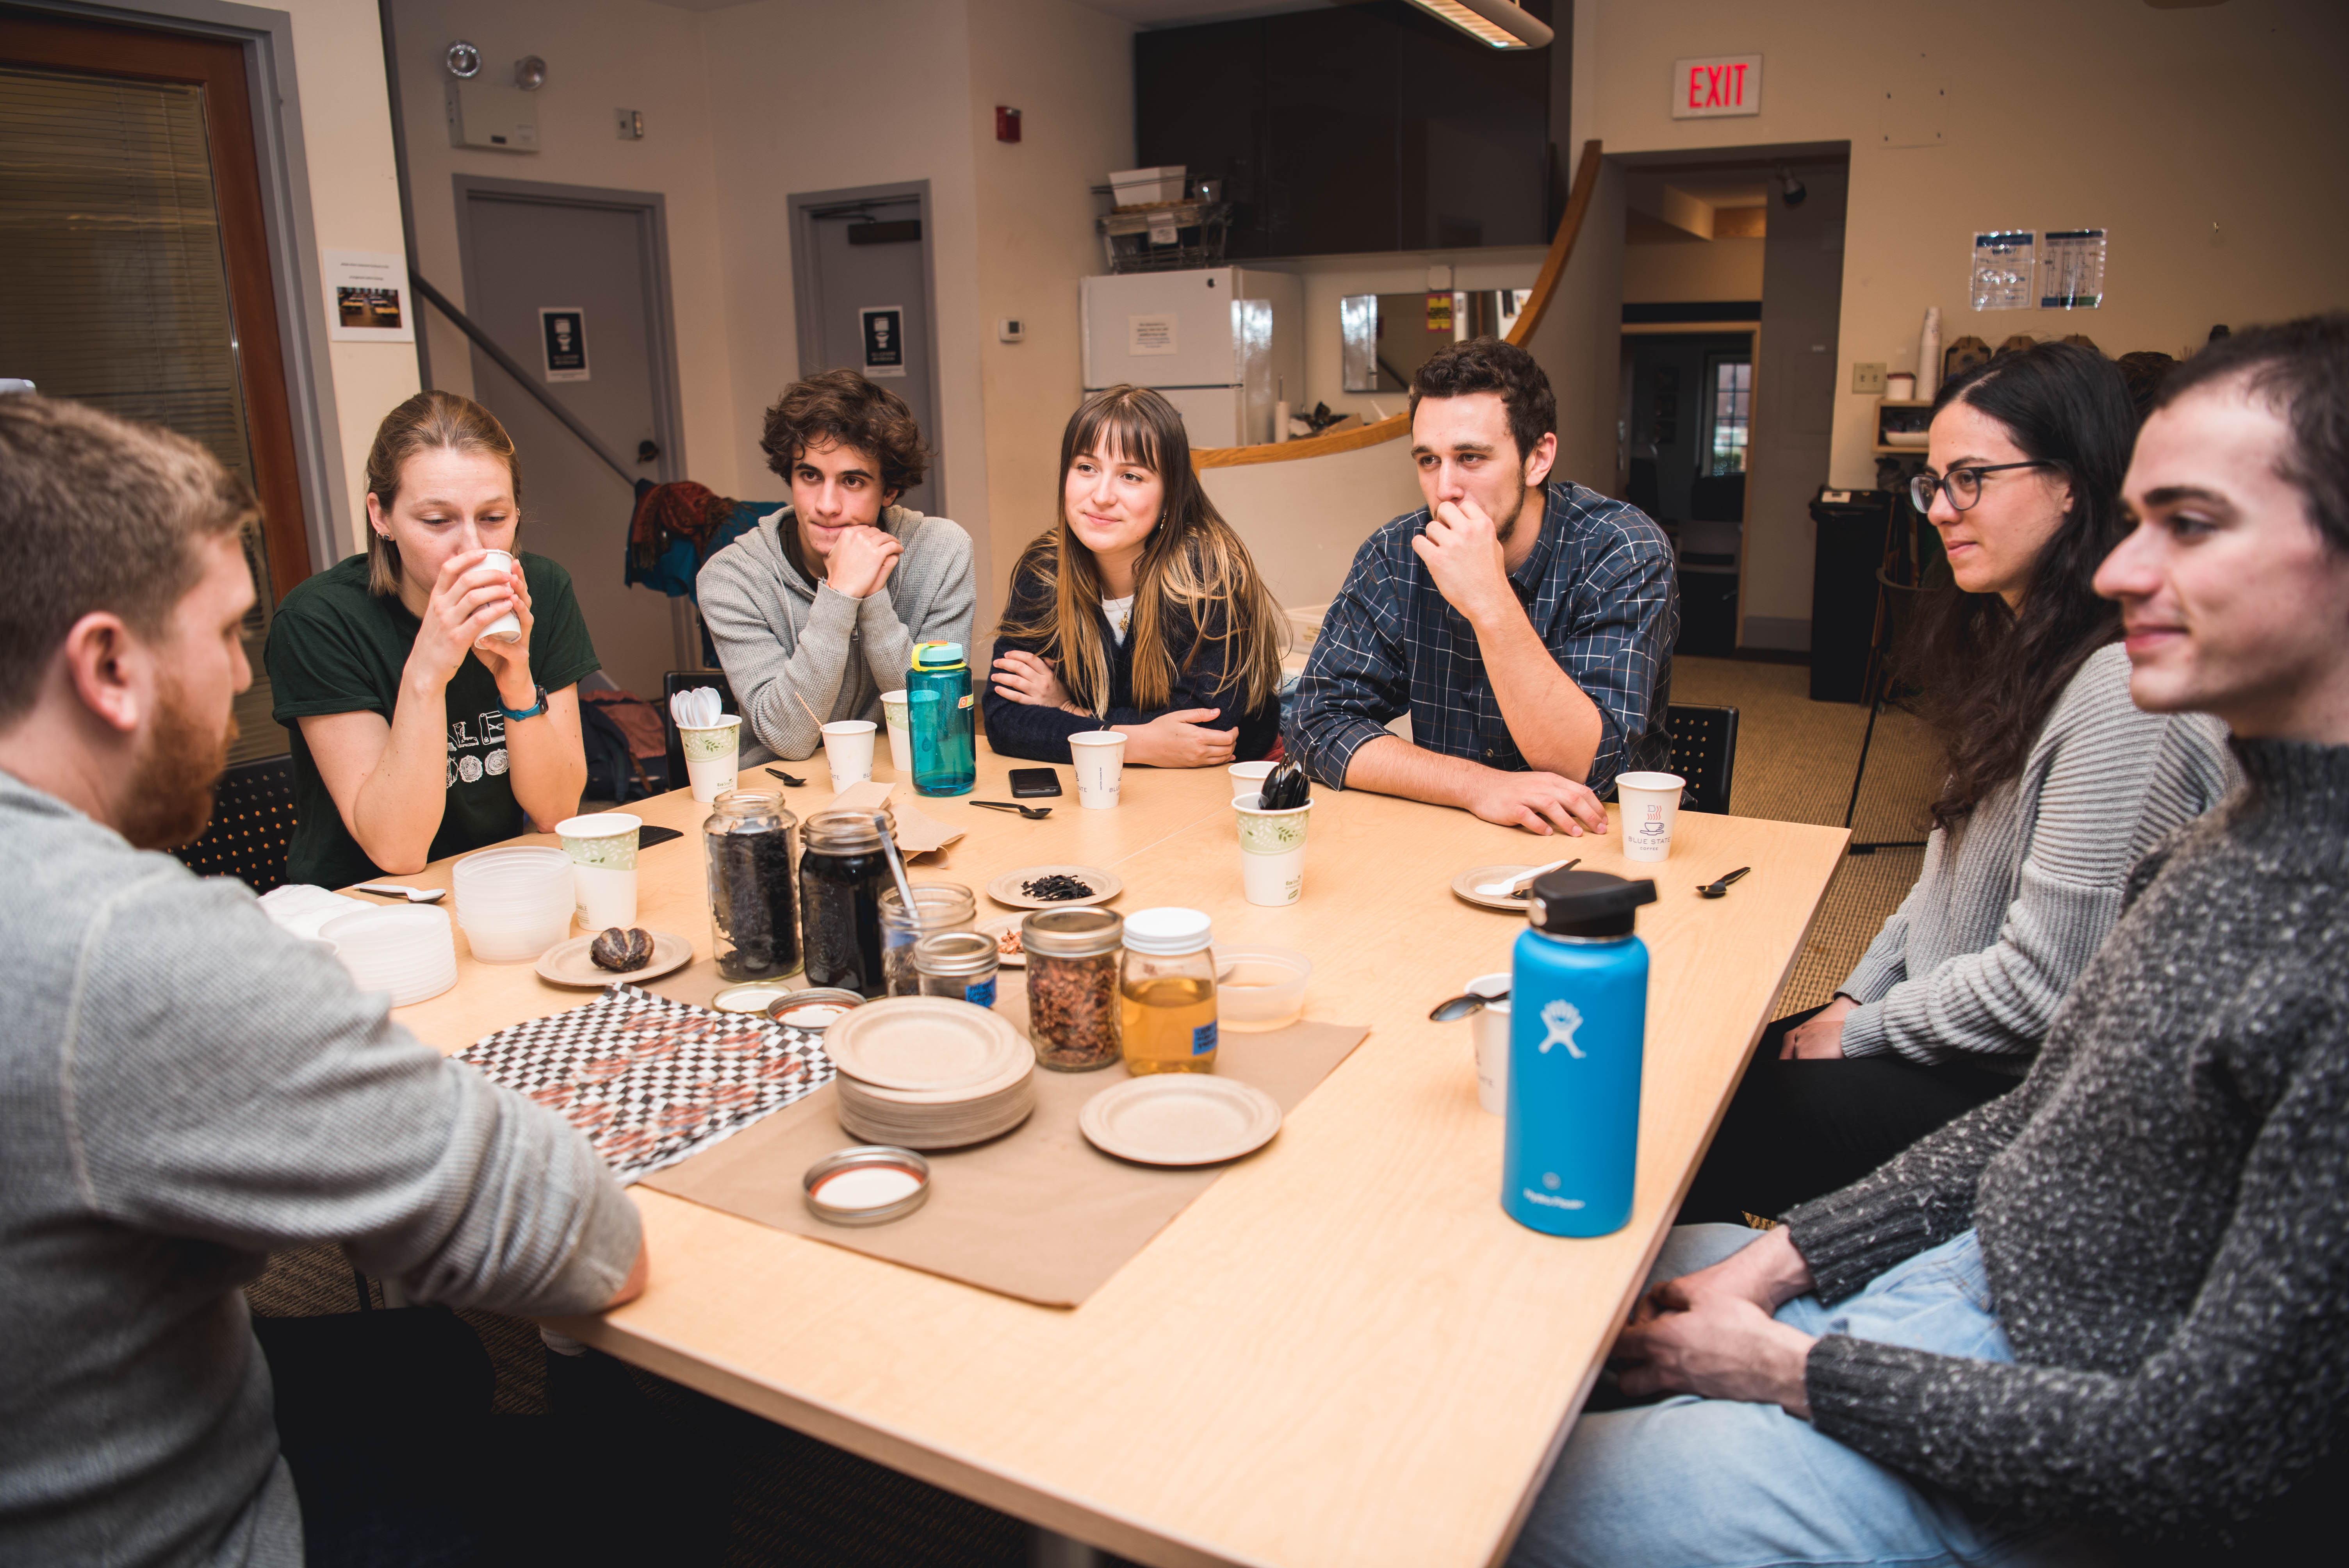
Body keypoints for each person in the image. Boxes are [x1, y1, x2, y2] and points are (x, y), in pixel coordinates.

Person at [1507, 315, 2349, 1567]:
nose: (2123, 570)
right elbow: (2041, 1121)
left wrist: (1792, 1367)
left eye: (2188, 523)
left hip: (2005, 1405)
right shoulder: (2242, 833)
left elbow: (2197, 1450)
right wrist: (1792, 1257)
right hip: (1948, 1279)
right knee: (1529, 1292)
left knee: (1493, 1499)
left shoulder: (2310, 927)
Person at [0, 394, 645, 1563]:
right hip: (199, 1524)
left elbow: (557, 801)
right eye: (229, 635)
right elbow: (577, 1236)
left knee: (432, 1356)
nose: (247, 675)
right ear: (107, 663)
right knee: (634, 1486)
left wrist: (507, 674)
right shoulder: (128, 954)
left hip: (109, 1428)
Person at [1680, 342, 2233, 1226]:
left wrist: (1854, 1031)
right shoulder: (2022, 647)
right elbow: (1936, 892)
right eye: (1930, 482)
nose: (1939, 509)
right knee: (1702, 1076)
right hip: (1938, 1029)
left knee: (1696, 1131)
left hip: (2019, 1094)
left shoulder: (2121, 691)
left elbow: (2043, 989)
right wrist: (1857, 992)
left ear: (2071, 483)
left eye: (1969, 478)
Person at [1283, 336, 1675, 836]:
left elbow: (1590, 766)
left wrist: (1489, 599)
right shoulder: (1396, 551)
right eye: (1428, 460)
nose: (1444, 487)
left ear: (1538, 458)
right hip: (1456, 835)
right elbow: (1316, 725)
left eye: (1470, 457)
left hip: (1604, 841)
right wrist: (1477, 785)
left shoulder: (1621, 549)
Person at [265, 390, 597, 886]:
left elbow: (557, 810)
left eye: (494, 518)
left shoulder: (542, 590)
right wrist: (425, 675)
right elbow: (397, 850)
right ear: (381, 517)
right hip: (366, 901)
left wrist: (518, 682)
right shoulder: (318, 620)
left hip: (494, 881)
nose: (472, 546)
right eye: (438, 521)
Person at [984, 385, 1285, 767]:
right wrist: (1137, 740)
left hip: (1229, 779)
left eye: (1130, 476)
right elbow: (1002, 719)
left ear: (1170, 498)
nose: (1102, 495)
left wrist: (1068, 711)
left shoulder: (1208, 577)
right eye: (1086, 468)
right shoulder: (1045, 569)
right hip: (1111, 780)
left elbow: (1205, 735)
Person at [699, 369, 975, 763]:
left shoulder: (941, 552)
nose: (826, 505)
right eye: (810, 475)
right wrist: (840, 594)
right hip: (782, 792)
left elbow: (940, 724)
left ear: (889, 491)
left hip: (897, 777)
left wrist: (873, 595)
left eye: (852, 481)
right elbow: (788, 738)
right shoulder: (731, 579)